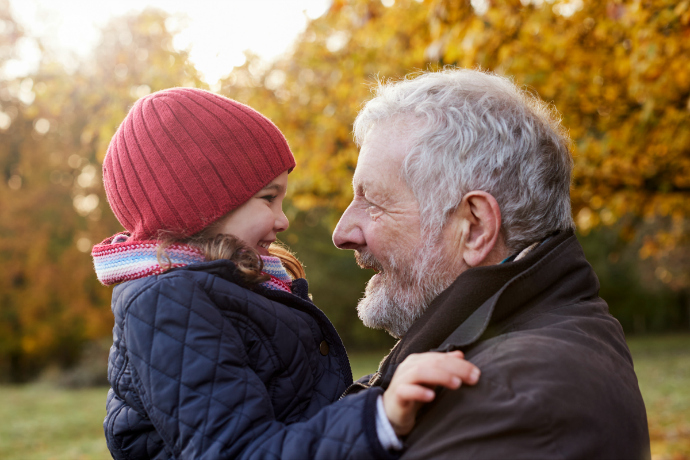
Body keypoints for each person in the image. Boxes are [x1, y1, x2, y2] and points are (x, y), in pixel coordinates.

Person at [92, 87, 480, 459]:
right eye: (268, 198)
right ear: (201, 207)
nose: (283, 220)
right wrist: (378, 417)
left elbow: (297, 409)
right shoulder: (168, 303)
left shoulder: (225, 286)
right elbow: (236, 450)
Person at [332, 69, 651, 459]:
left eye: (374, 203)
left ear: (476, 227)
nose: (343, 231)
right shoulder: (492, 356)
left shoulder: (510, 399)